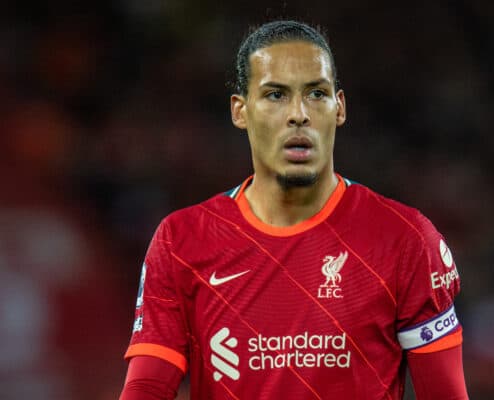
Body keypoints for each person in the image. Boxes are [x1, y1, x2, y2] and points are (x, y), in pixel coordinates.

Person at [119, 20, 468, 399]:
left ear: (340, 108)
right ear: (240, 110)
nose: (298, 114)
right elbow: (148, 386)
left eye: (316, 94)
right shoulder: (182, 241)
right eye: (275, 95)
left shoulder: (406, 239)